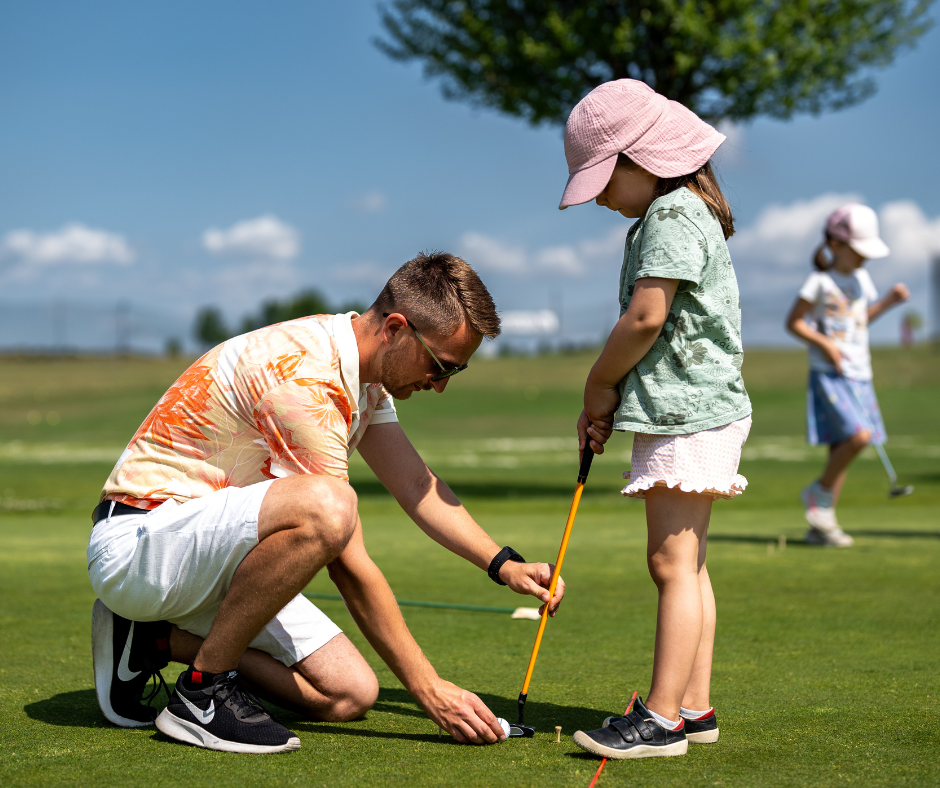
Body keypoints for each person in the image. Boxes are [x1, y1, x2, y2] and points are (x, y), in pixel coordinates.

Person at [88, 252, 566, 754]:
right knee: (330, 506)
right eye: (440, 364)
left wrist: (502, 563)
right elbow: (346, 561)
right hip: (141, 548)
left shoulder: (363, 371)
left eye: (457, 370)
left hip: (206, 556)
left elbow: (414, 484)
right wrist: (429, 688)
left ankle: (152, 640)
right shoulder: (306, 379)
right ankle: (202, 696)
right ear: (396, 329)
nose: (441, 384)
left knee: (347, 693)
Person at [555, 80, 752, 759]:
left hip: (687, 414)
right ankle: (693, 708)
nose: (602, 197)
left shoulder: (670, 214)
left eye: (607, 178)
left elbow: (646, 317)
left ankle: (662, 719)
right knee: (688, 564)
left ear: (644, 159)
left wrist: (598, 382)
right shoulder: (682, 209)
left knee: (670, 563)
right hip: (697, 410)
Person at [785, 204, 909, 547]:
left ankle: (821, 526)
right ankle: (818, 491)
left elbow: (858, 322)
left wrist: (888, 303)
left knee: (841, 448)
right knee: (859, 437)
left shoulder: (861, 279)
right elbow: (794, 322)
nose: (864, 259)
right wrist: (825, 344)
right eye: (858, 251)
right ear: (836, 245)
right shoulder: (819, 282)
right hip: (830, 374)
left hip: (860, 374)